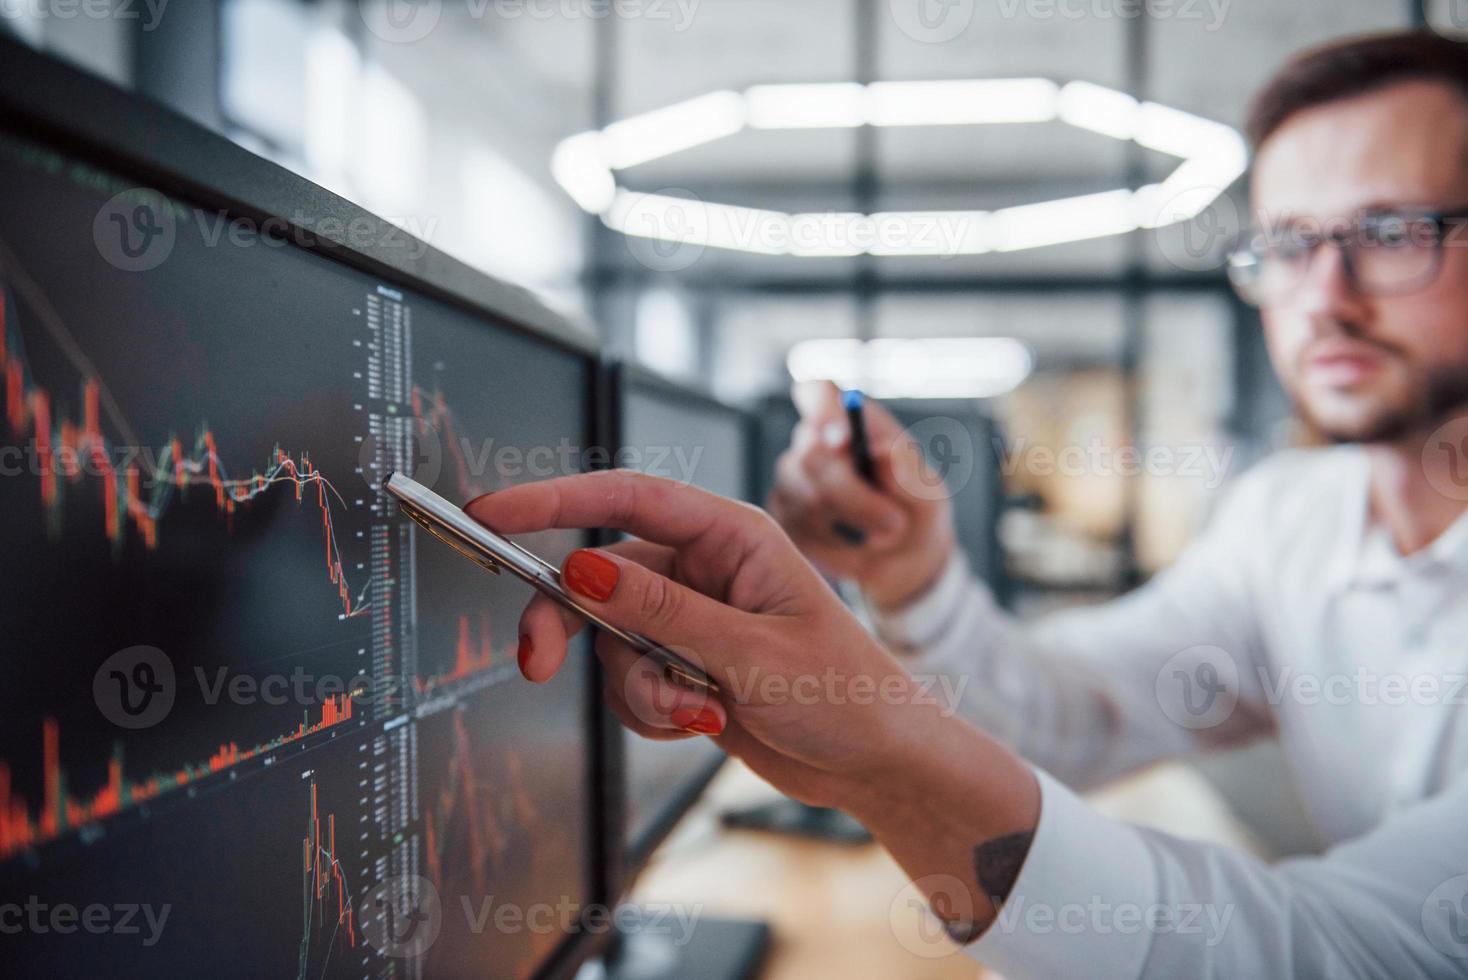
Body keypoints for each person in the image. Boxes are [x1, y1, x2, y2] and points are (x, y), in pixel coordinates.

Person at [469, 30, 1468, 978]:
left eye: (1389, 232)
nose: (1326, 295)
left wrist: (888, 760)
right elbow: (1071, 714)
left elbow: (1356, 953)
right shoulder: (1294, 515)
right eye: (1290, 243)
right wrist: (911, 573)